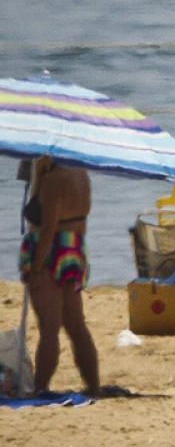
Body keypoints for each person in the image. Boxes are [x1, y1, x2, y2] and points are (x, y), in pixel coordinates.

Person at [19, 155, 97, 394]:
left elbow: (47, 228)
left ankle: (40, 387)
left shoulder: (53, 180)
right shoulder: (81, 174)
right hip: (73, 247)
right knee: (76, 324)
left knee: (49, 326)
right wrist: (38, 176)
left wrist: (36, 268)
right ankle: (93, 385)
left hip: (51, 250)